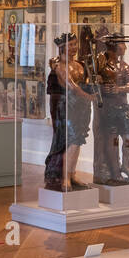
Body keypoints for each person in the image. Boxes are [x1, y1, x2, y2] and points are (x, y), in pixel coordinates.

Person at [44, 33, 92, 191]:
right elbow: (73, 87)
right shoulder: (59, 66)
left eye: (75, 44)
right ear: (62, 48)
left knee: (77, 141)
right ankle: (64, 178)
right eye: (70, 45)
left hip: (80, 107)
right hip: (65, 107)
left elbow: (85, 83)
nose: (74, 48)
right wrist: (91, 96)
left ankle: (72, 174)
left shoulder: (79, 64)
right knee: (68, 141)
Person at [95, 36, 129, 184]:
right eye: (122, 44)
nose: (125, 47)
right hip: (108, 108)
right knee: (112, 140)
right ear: (114, 46)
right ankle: (114, 171)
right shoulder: (102, 65)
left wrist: (119, 88)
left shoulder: (124, 66)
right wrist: (100, 84)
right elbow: (91, 83)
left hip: (123, 107)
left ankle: (125, 166)